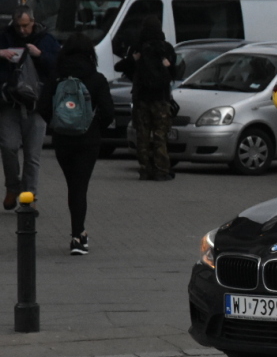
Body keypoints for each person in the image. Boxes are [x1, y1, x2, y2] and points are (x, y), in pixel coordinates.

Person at [35, 34, 112, 254]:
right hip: (88, 141)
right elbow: (108, 112)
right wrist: (94, 126)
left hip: (63, 140)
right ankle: (78, 236)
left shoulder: (56, 77)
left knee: (73, 185)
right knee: (80, 186)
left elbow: (42, 107)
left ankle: (78, 233)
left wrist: (56, 124)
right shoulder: (96, 78)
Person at [0, 6, 59, 209]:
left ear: (32, 22)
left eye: (25, 26)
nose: (22, 30)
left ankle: (28, 197)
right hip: (10, 103)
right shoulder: (5, 37)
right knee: (8, 147)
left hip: (36, 105)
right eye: (18, 26)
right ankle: (12, 186)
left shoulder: (46, 40)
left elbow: (57, 66)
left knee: (32, 156)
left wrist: (40, 55)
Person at [116, 16, 178, 180]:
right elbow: (175, 73)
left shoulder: (137, 48)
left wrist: (134, 64)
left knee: (142, 135)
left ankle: (145, 168)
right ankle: (161, 169)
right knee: (160, 135)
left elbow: (119, 67)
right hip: (161, 99)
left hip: (141, 98)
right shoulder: (166, 49)